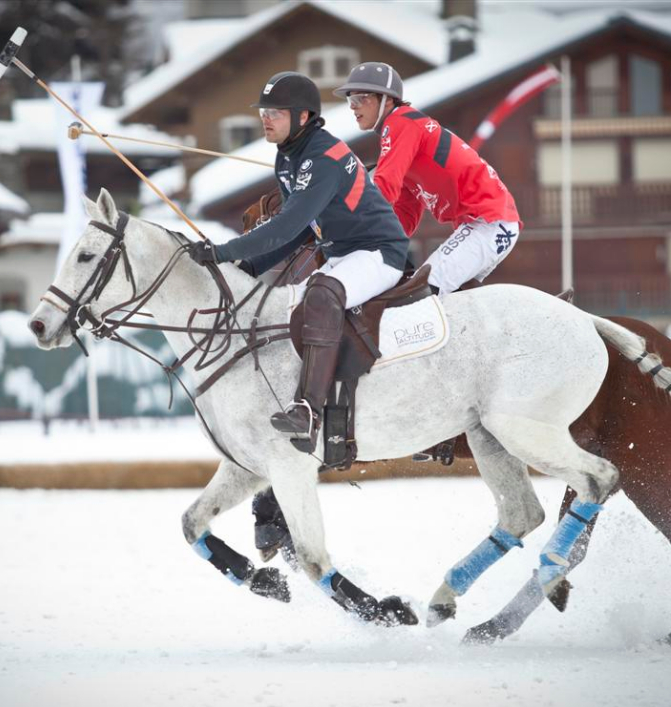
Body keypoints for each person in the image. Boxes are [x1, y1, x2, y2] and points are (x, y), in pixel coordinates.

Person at [188, 71, 409, 452]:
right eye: (263, 111)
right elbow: (298, 230)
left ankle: (308, 410)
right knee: (281, 308)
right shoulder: (289, 158)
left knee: (322, 295)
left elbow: (287, 223)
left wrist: (224, 252)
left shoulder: (322, 157)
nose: (265, 118)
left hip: (378, 253)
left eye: (275, 111)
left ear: (303, 116)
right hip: (343, 254)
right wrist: (246, 269)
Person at [333, 62, 522, 295]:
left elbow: (384, 187)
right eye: (350, 100)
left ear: (387, 99)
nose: (353, 107)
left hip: (487, 223)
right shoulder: (400, 135)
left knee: (419, 293)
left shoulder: (400, 122)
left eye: (360, 98)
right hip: (490, 224)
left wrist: (344, 222)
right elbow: (406, 211)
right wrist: (379, 245)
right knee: (442, 303)